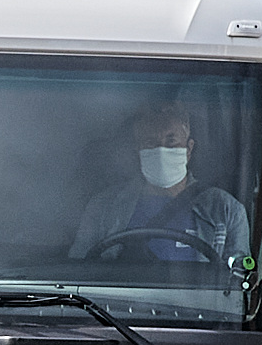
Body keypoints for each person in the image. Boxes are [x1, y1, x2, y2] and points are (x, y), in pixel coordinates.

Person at [69, 99, 252, 283]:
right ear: (138, 150)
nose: (161, 151)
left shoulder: (226, 211)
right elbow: (77, 275)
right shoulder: (103, 207)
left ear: (189, 149)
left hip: (199, 311)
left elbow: (237, 287)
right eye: (150, 143)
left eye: (171, 142)